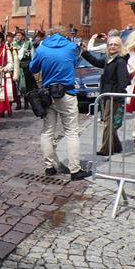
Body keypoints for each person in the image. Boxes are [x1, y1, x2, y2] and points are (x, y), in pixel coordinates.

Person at [29, 26, 91, 181]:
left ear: (49, 35)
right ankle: (75, 169)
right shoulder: (71, 47)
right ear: (64, 35)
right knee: (71, 132)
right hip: (67, 93)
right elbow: (74, 64)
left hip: (48, 94)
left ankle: (49, 167)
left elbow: (33, 68)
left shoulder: (42, 48)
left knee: (47, 131)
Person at [82, 36, 130, 155]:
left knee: (108, 122)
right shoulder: (109, 59)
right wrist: (85, 52)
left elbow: (123, 81)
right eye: (110, 44)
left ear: (120, 47)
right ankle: (116, 147)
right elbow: (96, 62)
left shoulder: (120, 61)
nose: (112, 46)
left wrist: (117, 96)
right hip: (107, 94)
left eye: (115, 44)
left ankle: (106, 149)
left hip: (113, 96)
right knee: (109, 121)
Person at [13, 30, 37, 110]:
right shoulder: (13, 45)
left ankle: (26, 102)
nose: (17, 37)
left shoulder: (28, 44)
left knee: (27, 85)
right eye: (16, 35)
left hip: (26, 66)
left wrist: (32, 68)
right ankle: (18, 103)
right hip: (16, 67)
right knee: (16, 85)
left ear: (23, 36)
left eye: (19, 35)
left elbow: (33, 56)